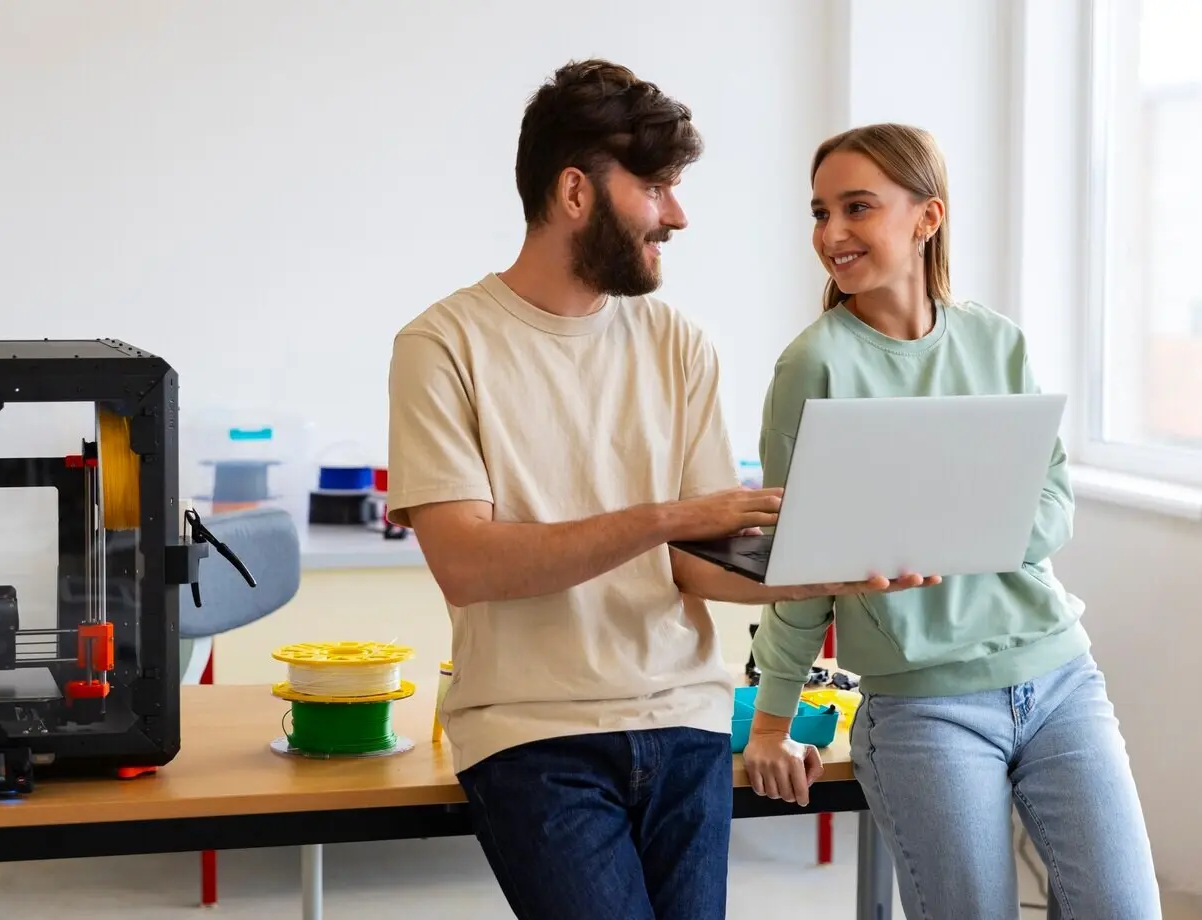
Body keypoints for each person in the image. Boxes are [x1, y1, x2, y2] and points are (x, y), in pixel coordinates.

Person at [384, 63, 932, 920]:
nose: (676, 214)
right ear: (575, 191)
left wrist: (835, 570)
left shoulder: (679, 341)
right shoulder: (442, 345)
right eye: (656, 187)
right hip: (534, 734)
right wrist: (670, 517)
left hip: (685, 720)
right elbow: (467, 565)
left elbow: (695, 566)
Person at [743, 122, 1162, 919]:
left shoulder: (996, 343)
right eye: (820, 211)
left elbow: (1054, 505)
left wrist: (944, 534)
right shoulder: (815, 364)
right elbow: (795, 562)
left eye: (856, 207)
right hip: (923, 704)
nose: (831, 233)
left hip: (1059, 675)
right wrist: (773, 722)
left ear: (926, 217)